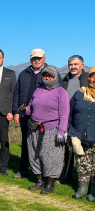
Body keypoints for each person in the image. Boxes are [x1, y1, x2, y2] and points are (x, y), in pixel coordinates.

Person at [13, 49, 62, 178]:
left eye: (39, 58)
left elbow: (59, 93)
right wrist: (16, 112)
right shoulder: (24, 73)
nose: (36, 60)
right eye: (34, 58)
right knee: (27, 143)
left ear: (44, 58)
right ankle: (24, 169)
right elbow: (17, 93)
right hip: (26, 114)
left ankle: (47, 174)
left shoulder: (51, 73)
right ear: (30, 59)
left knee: (45, 147)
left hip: (45, 118)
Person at [22, 65, 69, 194]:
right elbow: (32, 106)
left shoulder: (61, 92)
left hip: (51, 129)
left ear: (55, 77)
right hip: (34, 128)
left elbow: (64, 114)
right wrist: (25, 109)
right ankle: (39, 181)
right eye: (44, 76)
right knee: (34, 155)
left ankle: (50, 184)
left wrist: (62, 131)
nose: (47, 78)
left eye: (50, 76)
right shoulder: (38, 90)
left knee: (51, 157)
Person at [59, 55, 88, 184]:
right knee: (68, 149)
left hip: (82, 118)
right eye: (70, 64)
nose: (73, 67)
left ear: (82, 65)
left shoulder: (88, 79)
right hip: (67, 118)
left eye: (76, 64)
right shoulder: (64, 80)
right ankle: (67, 174)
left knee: (84, 150)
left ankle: (84, 179)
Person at [68, 67, 95, 200]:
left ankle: (94, 191)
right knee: (82, 163)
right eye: (92, 76)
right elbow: (70, 110)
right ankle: (82, 189)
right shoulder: (80, 93)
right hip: (80, 135)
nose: (94, 79)